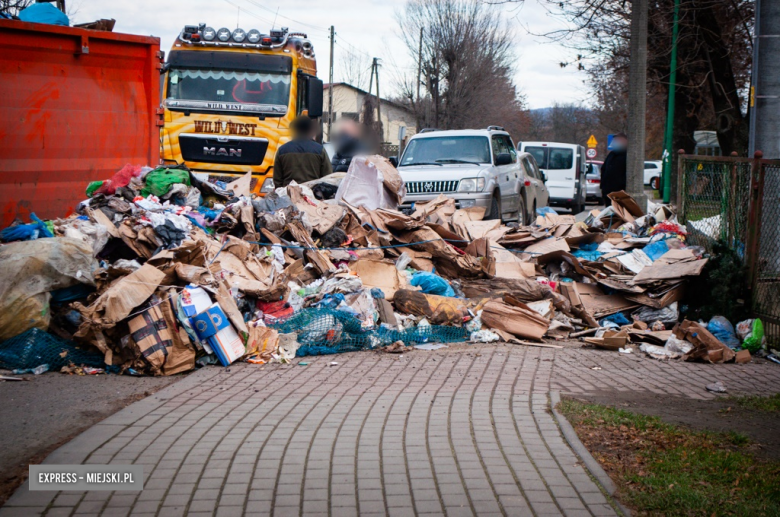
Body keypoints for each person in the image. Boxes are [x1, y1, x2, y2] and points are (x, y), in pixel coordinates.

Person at [273, 116, 332, 188]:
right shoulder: (320, 150)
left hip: (288, 195)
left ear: (294, 130)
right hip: (312, 195)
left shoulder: (282, 150)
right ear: (310, 130)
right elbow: (328, 177)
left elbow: (277, 180)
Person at [600, 132, 628, 206]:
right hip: (607, 191)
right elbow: (603, 169)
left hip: (619, 192)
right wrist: (602, 186)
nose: (615, 142)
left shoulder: (627, 155)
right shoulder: (612, 154)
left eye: (618, 140)